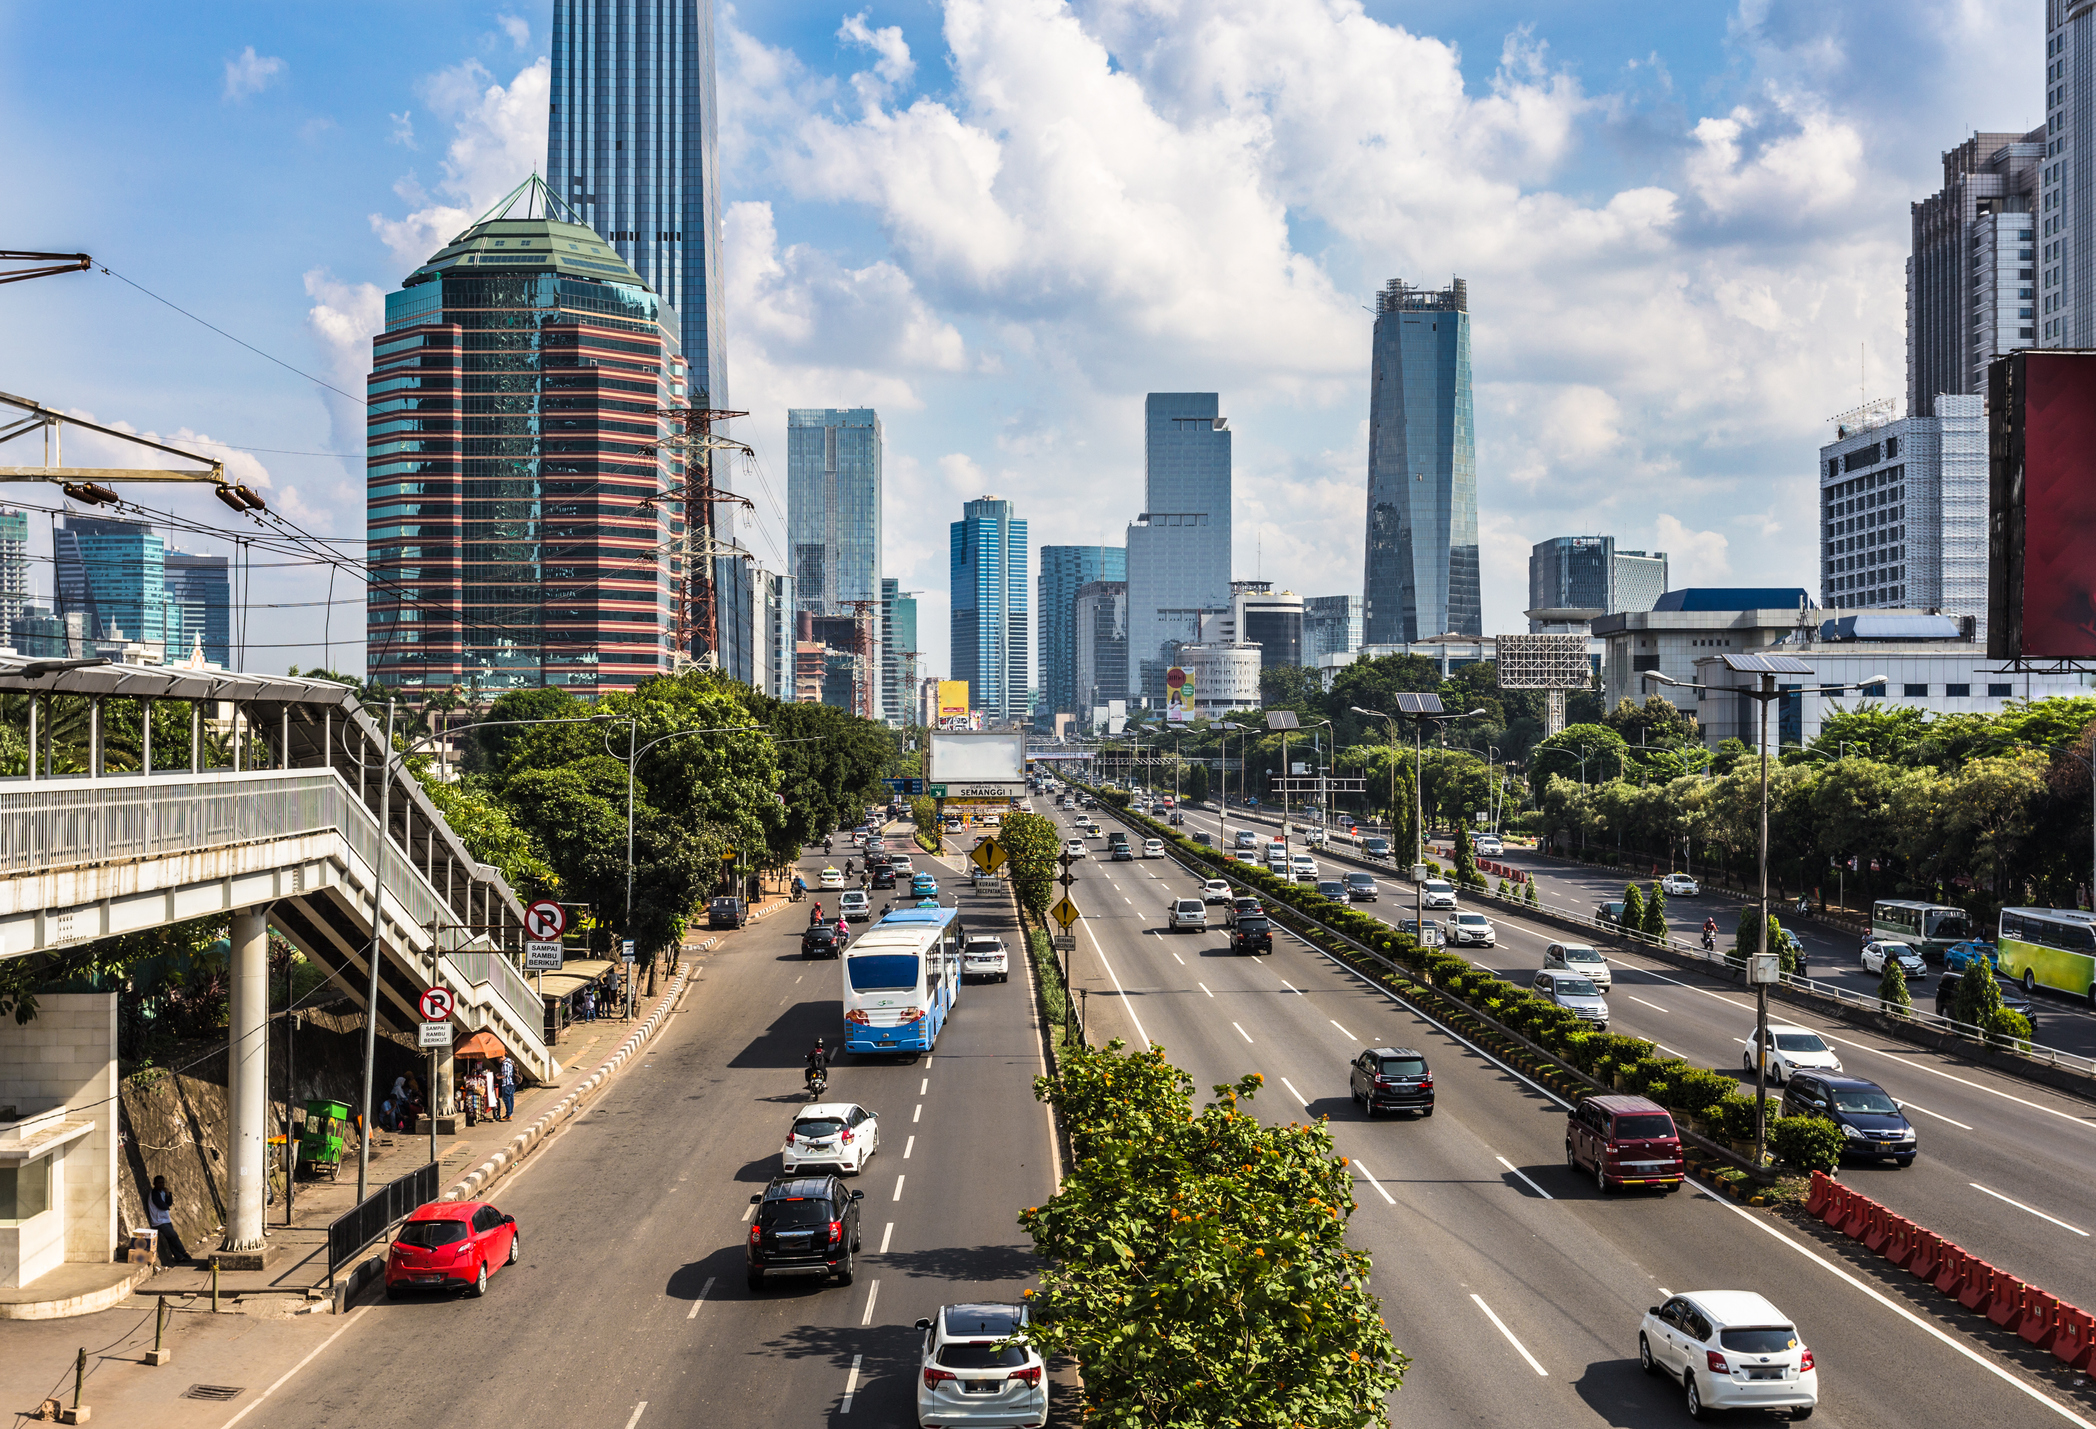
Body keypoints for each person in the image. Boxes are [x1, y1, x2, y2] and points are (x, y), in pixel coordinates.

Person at [147, 1175, 189, 1265]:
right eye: (159, 1183)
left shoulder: (162, 1192)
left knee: (170, 1239)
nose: (161, 1185)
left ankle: (179, 1257)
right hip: (159, 1221)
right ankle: (184, 1252)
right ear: (154, 1184)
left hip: (166, 1219)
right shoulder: (154, 1193)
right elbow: (162, 1205)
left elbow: (169, 1203)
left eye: (162, 1183)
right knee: (173, 1236)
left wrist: (168, 1194)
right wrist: (167, 1207)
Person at [498, 1054, 516, 1122]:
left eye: (498, 1059)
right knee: (511, 1099)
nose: (498, 1060)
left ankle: (508, 1115)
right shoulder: (510, 1061)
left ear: (502, 1057)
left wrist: (499, 1077)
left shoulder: (505, 1064)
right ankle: (510, 1114)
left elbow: (506, 1075)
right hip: (512, 1083)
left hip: (507, 1084)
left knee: (506, 1099)